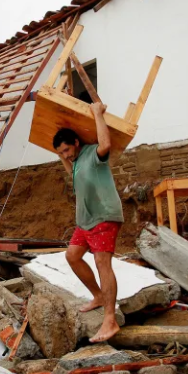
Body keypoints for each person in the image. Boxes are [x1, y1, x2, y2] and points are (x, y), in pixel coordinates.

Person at [54, 102, 124, 343]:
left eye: (67, 149)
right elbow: (71, 171)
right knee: (72, 256)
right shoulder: (76, 164)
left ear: (76, 143)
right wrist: (61, 155)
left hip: (104, 216)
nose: (66, 155)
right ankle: (99, 296)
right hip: (85, 221)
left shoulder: (92, 154)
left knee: (102, 263)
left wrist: (97, 114)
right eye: (61, 153)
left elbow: (106, 145)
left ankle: (110, 319)